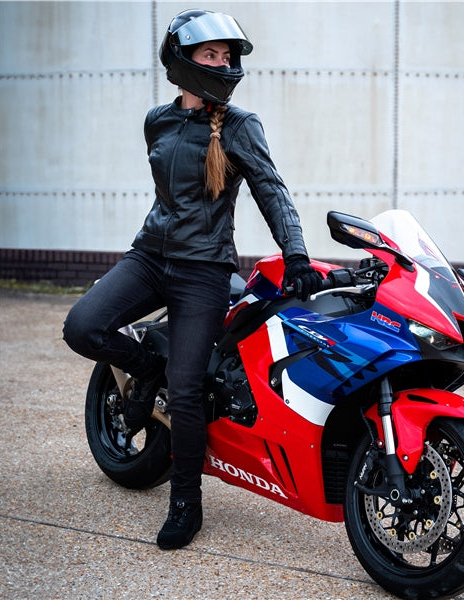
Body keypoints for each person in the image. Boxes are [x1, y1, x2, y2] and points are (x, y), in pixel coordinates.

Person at [63, 9, 322, 550]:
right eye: (211, 55)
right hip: (149, 256)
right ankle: (147, 365)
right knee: (82, 326)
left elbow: (272, 191)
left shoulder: (240, 126)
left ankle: (186, 503)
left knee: (185, 391)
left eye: (227, 57)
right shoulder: (156, 121)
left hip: (204, 269)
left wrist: (296, 253)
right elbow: (171, 195)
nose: (222, 64)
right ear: (182, 61)